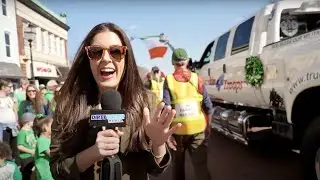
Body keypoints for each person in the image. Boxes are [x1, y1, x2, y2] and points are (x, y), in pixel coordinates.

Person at [50, 22, 181, 180]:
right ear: (88, 58)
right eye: (96, 52)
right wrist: (92, 153)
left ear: (126, 58)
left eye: (115, 51)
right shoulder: (67, 104)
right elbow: (57, 170)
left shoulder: (147, 102)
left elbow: (156, 170)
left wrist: (158, 144)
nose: (106, 58)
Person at [163, 48, 213, 180]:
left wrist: (168, 134)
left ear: (173, 63)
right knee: (201, 166)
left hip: (177, 132)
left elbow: (166, 108)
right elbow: (208, 106)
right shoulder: (197, 79)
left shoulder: (168, 80)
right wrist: (208, 126)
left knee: (177, 166)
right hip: (198, 130)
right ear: (187, 62)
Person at [0, 79, 19, 159]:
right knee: (4, 150)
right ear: (3, 87)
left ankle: (13, 166)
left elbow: (15, 110)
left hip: (13, 127)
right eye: (9, 87)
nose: (11, 89)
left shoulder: (11, 97)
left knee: (14, 149)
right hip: (3, 129)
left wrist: (16, 121)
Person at [16, 112, 37, 180]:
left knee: (32, 173)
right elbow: (19, 146)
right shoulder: (22, 133)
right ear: (27, 122)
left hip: (32, 156)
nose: (34, 122)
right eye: (33, 121)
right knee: (26, 174)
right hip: (25, 158)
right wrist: (30, 151)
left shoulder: (30, 130)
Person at [33, 114, 53, 180]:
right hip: (45, 174)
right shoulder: (41, 140)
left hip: (50, 172)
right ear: (45, 127)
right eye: (52, 125)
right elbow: (51, 154)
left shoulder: (48, 139)